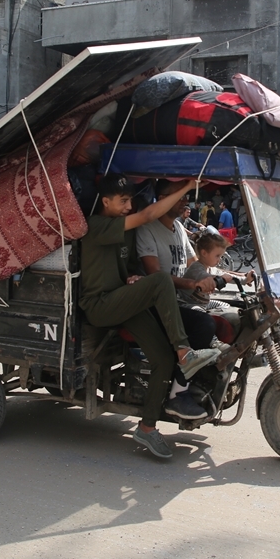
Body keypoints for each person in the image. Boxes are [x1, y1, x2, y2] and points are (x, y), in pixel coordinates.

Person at [79, 173, 221, 459]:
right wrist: (186, 187)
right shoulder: (96, 225)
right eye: (122, 201)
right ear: (105, 202)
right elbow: (147, 215)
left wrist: (133, 277)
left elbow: (129, 265)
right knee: (161, 281)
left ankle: (146, 428)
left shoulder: (127, 231)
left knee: (162, 359)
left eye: (130, 200)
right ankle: (185, 352)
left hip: (122, 300)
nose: (128, 206)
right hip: (99, 305)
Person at [137, 181, 226, 422]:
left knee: (228, 316)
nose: (185, 201)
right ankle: (178, 392)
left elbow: (194, 263)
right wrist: (193, 285)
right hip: (157, 305)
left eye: (185, 196)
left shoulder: (177, 227)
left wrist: (226, 276)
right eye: (179, 196)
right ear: (162, 198)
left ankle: (203, 380)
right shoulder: (147, 230)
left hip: (180, 301)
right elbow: (157, 277)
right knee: (204, 324)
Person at [180, 232, 254, 308]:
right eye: (217, 256)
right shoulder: (196, 268)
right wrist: (221, 278)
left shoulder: (210, 268)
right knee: (205, 315)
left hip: (203, 304)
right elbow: (208, 278)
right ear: (204, 253)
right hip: (187, 304)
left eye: (221, 256)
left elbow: (225, 275)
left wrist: (245, 279)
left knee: (226, 308)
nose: (219, 260)